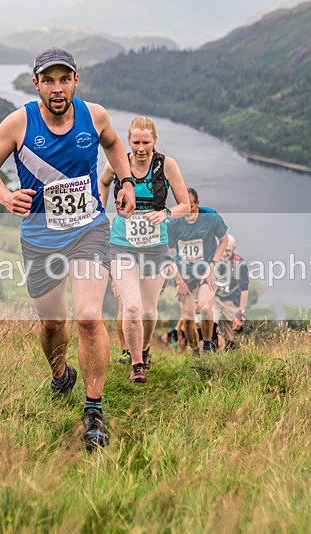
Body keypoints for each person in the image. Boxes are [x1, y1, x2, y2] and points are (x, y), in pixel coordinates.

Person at [0, 47, 135, 450]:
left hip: (89, 230)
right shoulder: (18, 123)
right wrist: (5, 196)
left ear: (76, 81)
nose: (58, 88)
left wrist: (126, 181)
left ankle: (94, 408)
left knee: (86, 317)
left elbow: (115, 145)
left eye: (65, 79)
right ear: (37, 84)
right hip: (41, 238)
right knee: (51, 324)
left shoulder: (94, 115)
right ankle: (61, 373)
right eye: (49, 80)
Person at [99, 116, 189, 383]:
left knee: (149, 311)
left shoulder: (166, 165)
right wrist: (100, 212)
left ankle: (145, 350)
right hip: (122, 245)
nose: (140, 148)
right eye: (136, 142)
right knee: (132, 307)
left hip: (154, 247)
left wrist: (166, 213)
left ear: (155, 141)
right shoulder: (117, 163)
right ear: (128, 141)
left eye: (146, 142)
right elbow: (103, 182)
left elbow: (185, 204)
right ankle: (137, 363)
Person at [167, 188, 230, 356]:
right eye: (185, 208)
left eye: (192, 207)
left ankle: (208, 345)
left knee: (205, 308)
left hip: (205, 272)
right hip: (184, 274)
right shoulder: (173, 223)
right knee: (187, 317)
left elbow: (224, 241)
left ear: (198, 204)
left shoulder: (210, 217)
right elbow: (169, 254)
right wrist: (179, 281)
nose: (189, 212)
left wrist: (213, 265)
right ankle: (195, 351)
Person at [212, 234, 249, 349]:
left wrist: (240, 314)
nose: (224, 253)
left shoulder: (240, 263)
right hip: (215, 298)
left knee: (232, 337)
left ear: (234, 249)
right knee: (210, 325)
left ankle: (228, 359)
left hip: (232, 301)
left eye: (228, 251)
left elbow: (244, 289)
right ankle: (211, 354)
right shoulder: (212, 259)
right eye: (222, 249)